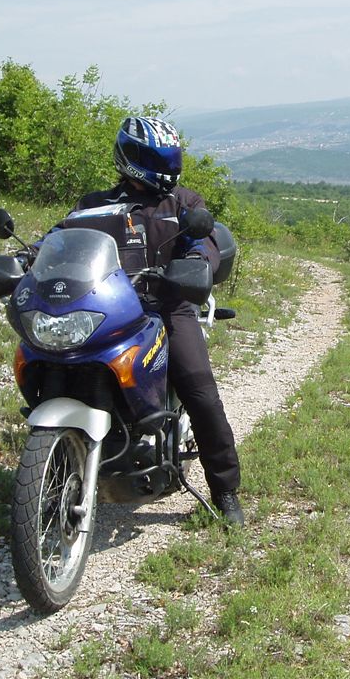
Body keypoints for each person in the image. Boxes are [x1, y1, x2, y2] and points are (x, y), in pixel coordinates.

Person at [70, 115, 244, 526]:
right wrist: (32, 256)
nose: (168, 167)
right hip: (108, 308)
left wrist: (196, 263)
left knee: (200, 392)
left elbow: (204, 242)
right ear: (130, 157)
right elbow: (64, 237)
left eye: (171, 158)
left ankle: (225, 491)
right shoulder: (94, 205)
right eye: (157, 159)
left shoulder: (185, 203)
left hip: (168, 307)